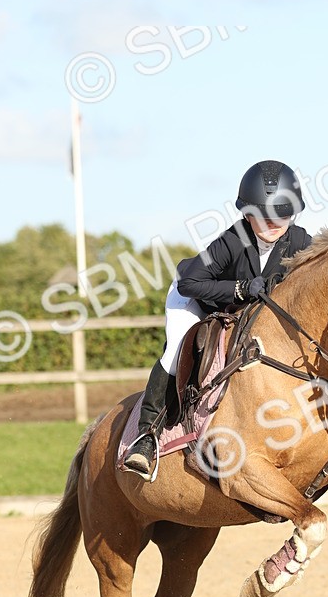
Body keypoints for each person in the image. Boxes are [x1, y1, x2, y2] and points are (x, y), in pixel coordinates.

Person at [124, 160, 312, 478]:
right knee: (176, 353)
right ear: (247, 214)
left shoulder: (300, 242)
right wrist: (240, 288)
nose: (273, 223)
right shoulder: (233, 240)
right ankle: (146, 437)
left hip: (243, 312)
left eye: (282, 215)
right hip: (195, 299)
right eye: (264, 215)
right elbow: (190, 282)